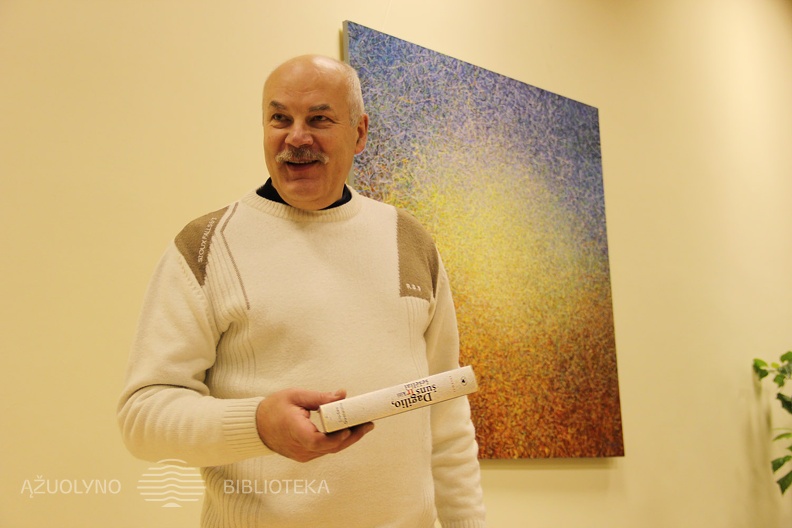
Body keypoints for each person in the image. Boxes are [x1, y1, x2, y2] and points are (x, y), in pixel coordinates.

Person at [118, 54, 486, 528]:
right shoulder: (207, 245)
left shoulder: (409, 240)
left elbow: (446, 417)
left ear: (359, 133)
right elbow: (142, 418)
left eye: (318, 119)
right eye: (280, 119)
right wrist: (257, 425)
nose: (296, 138)